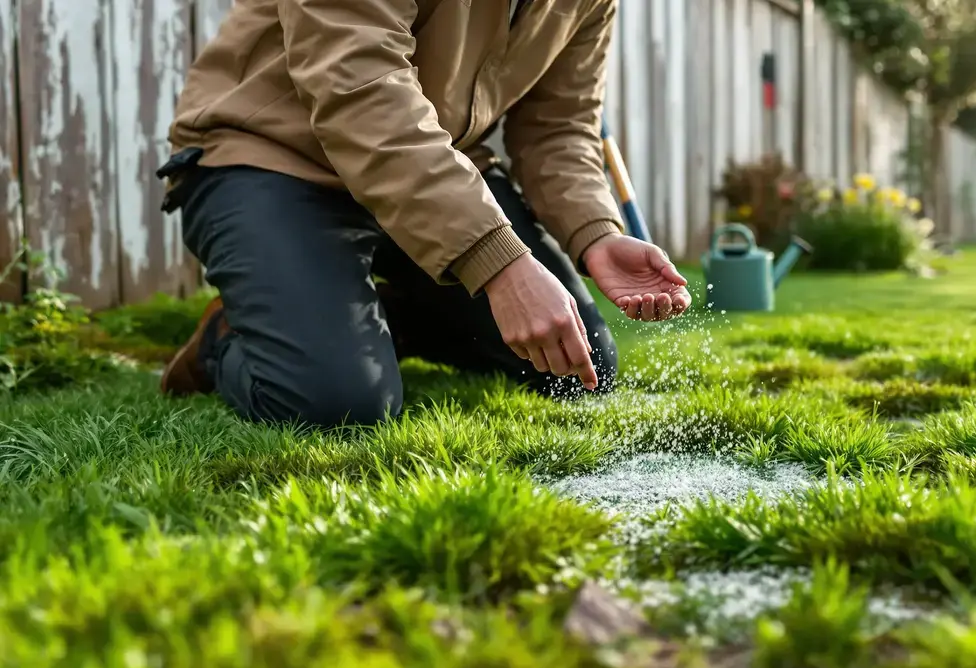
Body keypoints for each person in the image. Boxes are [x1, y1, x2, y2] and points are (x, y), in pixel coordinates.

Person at [155, 0, 691, 428]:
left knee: (579, 367)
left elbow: (558, 127)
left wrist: (595, 234)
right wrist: (498, 264)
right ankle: (222, 342)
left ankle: (356, 322)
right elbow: (359, 90)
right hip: (269, 159)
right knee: (339, 405)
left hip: (430, 174)